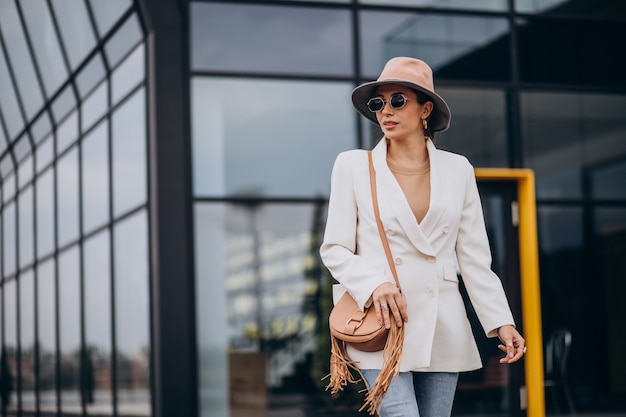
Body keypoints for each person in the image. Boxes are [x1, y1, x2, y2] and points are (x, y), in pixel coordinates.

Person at [319, 57, 526, 417]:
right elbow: (334, 248)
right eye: (378, 102)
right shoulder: (353, 166)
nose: (386, 110)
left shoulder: (457, 169)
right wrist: (373, 285)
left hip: (441, 322)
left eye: (398, 100)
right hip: (382, 322)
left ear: (425, 108)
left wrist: (500, 321)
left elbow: (475, 258)